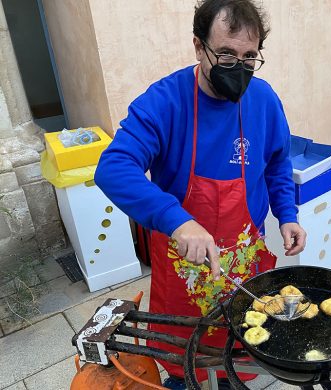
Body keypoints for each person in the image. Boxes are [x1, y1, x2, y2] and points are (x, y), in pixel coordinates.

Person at [95, 0, 306, 388]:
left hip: (243, 265)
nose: (238, 67)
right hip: (184, 270)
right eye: (226, 54)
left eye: (248, 57)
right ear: (198, 46)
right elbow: (113, 168)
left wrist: (287, 213)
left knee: (239, 354)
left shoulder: (264, 100)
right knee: (188, 362)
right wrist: (177, 220)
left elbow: (276, 162)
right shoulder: (164, 102)